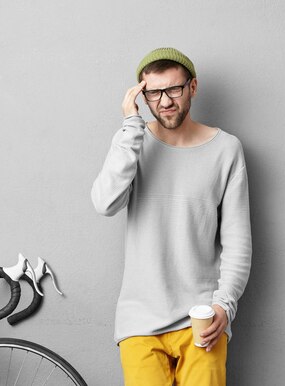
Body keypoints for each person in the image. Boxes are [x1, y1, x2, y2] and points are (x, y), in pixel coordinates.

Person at [91, 47, 252, 386]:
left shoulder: (226, 150)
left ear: (192, 87)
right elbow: (105, 203)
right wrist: (131, 125)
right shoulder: (132, 141)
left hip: (202, 316)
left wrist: (224, 305)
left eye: (174, 89)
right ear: (141, 94)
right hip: (139, 320)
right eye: (153, 92)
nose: (164, 101)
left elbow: (237, 240)